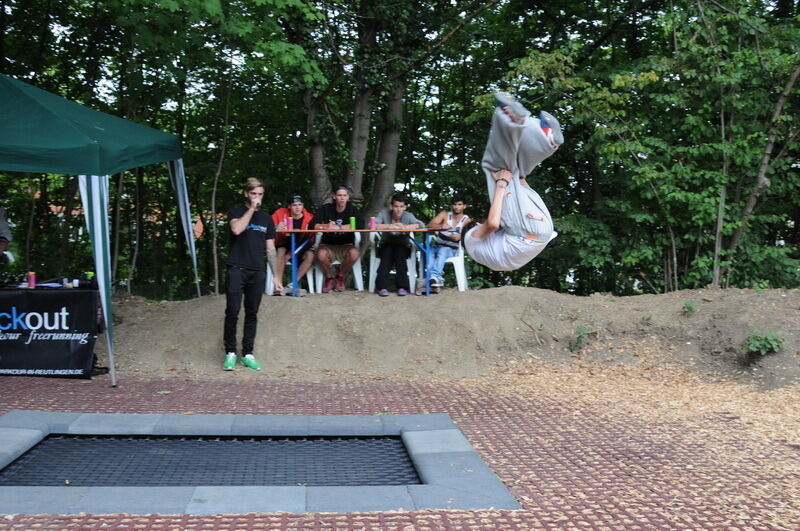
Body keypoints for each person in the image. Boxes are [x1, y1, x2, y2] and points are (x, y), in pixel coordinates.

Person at [462, 92, 563, 271]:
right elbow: (492, 224)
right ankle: (509, 118)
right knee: (494, 168)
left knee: (517, 173)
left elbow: (517, 194)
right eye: (477, 224)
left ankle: (547, 141)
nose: (480, 223)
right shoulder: (470, 238)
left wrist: (521, 185)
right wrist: (501, 184)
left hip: (541, 230)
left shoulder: (485, 253)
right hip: (526, 232)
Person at [222, 178, 281, 372]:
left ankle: (248, 353)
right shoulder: (237, 211)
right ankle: (230, 353)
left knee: (252, 312)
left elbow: (271, 249)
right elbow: (237, 229)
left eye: (260, 194)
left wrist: (276, 276)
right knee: (232, 310)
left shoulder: (266, 219)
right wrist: (251, 210)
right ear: (246, 194)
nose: (257, 198)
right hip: (236, 268)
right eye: (253, 194)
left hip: (257, 271)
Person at [309, 185, 364, 293]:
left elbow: (361, 225)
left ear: (348, 197)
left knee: (355, 253)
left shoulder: (352, 209)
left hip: (346, 245)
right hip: (327, 245)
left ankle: (340, 277)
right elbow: (312, 225)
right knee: (320, 255)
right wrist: (326, 226)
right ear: (334, 196)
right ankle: (329, 278)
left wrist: (340, 227)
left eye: (344, 195)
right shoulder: (326, 208)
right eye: (339, 195)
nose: (342, 198)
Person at [374, 193, 426, 296]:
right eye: (396, 206)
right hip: (387, 243)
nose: (398, 209)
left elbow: (419, 225)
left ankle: (402, 287)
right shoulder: (384, 213)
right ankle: (382, 287)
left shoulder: (408, 216)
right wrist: (390, 226)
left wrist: (405, 227)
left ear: (405, 207)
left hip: (402, 244)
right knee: (386, 255)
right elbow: (373, 225)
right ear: (391, 206)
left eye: (401, 206)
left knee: (400, 254)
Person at [271, 194, 315, 294]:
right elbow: (268, 227)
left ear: (303, 206)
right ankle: (278, 285)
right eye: (294, 205)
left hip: (301, 246)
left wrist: (290, 254)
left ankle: (292, 283)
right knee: (280, 251)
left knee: (310, 255)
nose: (297, 207)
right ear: (289, 206)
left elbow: (311, 238)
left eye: (300, 205)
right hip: (284, 243)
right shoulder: (280, 213)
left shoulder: (309, 218)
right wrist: (277, 227)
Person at [426, 194, 470, 287]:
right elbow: (429, 226)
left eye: (459, 204)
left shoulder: (466, 220)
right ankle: (434, 279)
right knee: (427, 250)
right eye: (454, 204)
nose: (456, 207)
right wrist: (441, 226)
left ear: (464, 206)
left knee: (444, 250)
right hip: (437, 245)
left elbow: (470, 237)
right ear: (451, 205)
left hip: (453, 250)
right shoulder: (445, 215)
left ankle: (434, 276)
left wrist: (461, 236)